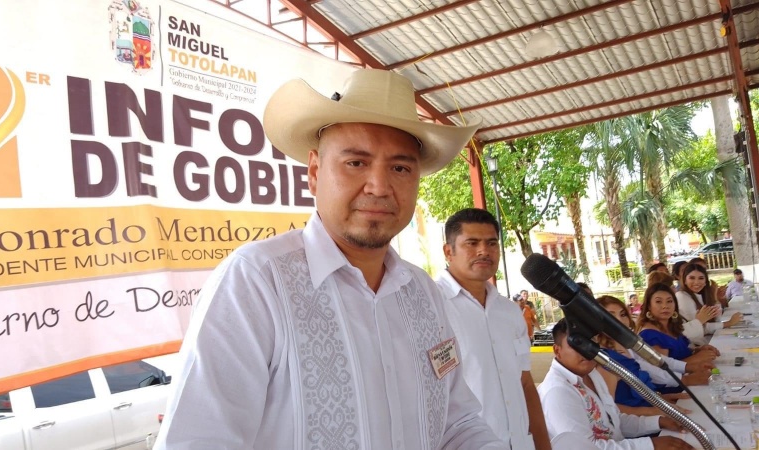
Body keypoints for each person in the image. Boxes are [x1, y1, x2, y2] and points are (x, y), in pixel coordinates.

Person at [155, 69, 506, 449]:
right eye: (356, 163)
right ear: (314, 172)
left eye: (400, 168)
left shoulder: (422, 292)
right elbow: (198, 441)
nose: (378, 186)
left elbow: (456, 423)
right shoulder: (257, 282)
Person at [437, 208, 550, 450]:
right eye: (472, 243)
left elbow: (526, 384)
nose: (483, 251)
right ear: (449, 251)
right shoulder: (431, 306)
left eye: (491, 243)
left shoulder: (509, 312)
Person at [538, 318, 692, 450]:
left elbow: (613, 422)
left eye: (590, 342)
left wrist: (658, 422)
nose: (586, 350)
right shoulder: (558, 392)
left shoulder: (592, 374)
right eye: (576, 345)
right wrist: (651, 445)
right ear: (557, 351)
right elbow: (589, 448)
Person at [596, 296, 709, 415]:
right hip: (639, 416)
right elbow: (610, 410)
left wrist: (660, 398)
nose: (619, 320)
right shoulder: (604, 357)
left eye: (623, 314)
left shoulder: (628, 342)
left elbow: (657, 360)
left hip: (653, 402)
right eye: (611, 315)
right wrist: (684, 379)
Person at [636, 284, 718, 365]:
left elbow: (679, 354)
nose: (665, 306)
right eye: (658, 302)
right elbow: (664, 369)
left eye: (669, 301)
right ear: (649, 306)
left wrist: (698, 350)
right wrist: (696, 358)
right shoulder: (649, 335)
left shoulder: (672, 326)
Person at [674, 263, 742, 345]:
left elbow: (716, 319)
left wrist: (715, 297)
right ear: (685, 280)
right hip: (695, 346)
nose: (696, 282)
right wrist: (728, 323)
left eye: (701, 278)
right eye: (692, 278)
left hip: (708, 340)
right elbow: (700, 327)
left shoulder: (700, 295)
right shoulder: (682, 296)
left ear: (705, 282)